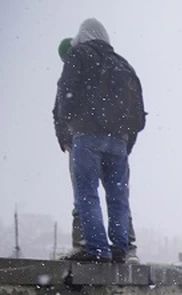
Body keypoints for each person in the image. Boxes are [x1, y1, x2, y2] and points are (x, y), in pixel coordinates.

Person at [53, 18, 145, 263]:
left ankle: (97, 249)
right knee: (118, 195)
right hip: (118, 141)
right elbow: (137, 110)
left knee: (86, 192)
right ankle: (120, 249)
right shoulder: (123, 65)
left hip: (87, 135)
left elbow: (65, 95)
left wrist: (72, 127)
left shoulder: (78, 55)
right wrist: (126, 142)